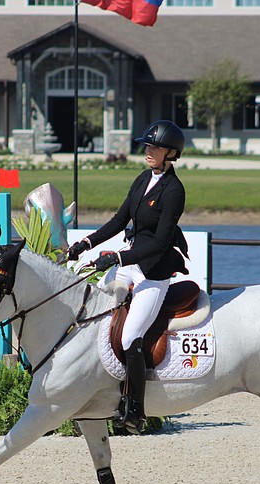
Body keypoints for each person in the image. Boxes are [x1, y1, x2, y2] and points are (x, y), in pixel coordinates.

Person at [67, 119, 188, 434]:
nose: (148, 151)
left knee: (130, 336)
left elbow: (159, 243)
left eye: (155, 147)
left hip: (153, 273)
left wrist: (118, 257)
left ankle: (135, 409)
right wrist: (86, 243)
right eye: (147, 146)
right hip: (131, 263)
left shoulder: (174, 191)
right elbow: (120, 220)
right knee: (92, 312)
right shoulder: (143, 178)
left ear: (170, 153)